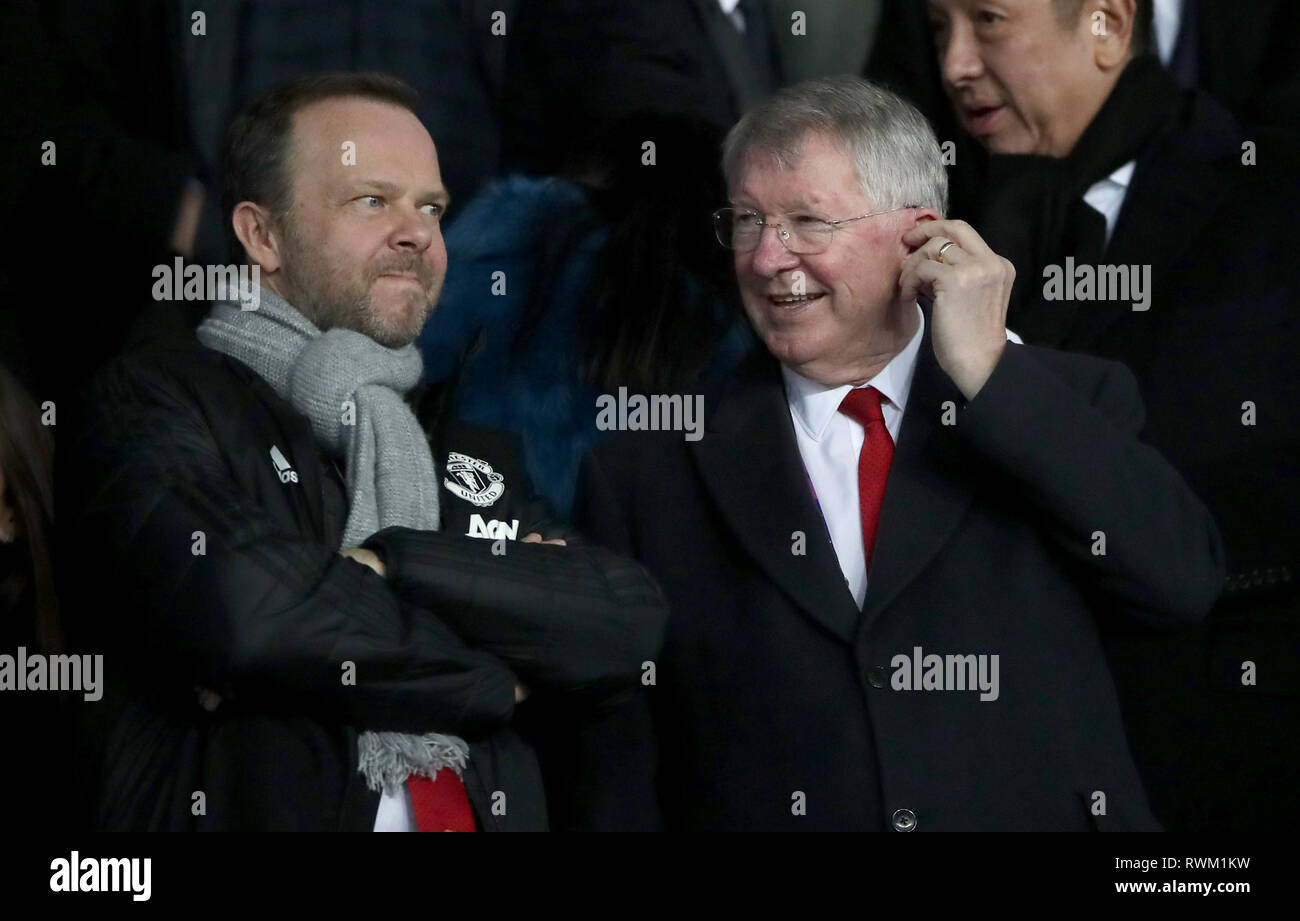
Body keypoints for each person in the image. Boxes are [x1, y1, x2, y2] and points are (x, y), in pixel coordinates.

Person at [575, 76, 1224, 831]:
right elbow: (614, 755)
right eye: (747, 221)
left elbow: (1181, 583)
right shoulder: (647, 467)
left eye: (807, 222)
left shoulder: (1068, 402)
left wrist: (991, 376)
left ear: (919, 235)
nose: (765, 258)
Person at [57, 72, 667, 832]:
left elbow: (623, 622)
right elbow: (249, 616)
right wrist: (495, 666)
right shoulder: (152, 402)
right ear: (262, 235)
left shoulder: (454, 442)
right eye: (372, 200)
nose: (417, 232)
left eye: (432, 207)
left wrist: (391, 568)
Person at [929, 0, 1300, 831]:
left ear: (1107, 25)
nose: (955, 63)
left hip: (1231, 753)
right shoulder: (942, 221)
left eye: (988, 21)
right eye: (937, 26)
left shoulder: (1271, 195)